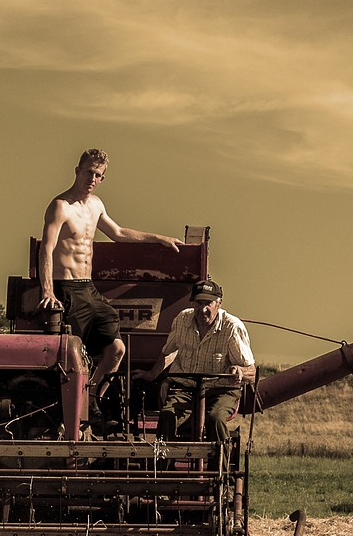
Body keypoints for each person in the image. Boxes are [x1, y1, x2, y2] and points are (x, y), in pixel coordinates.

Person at [38, 149, 181, 416]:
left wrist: (158, 238)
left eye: (98, 175)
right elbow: (46, 249)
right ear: (77, 170)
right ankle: (69, 410)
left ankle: (90, 398)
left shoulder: (96, 205)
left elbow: (118, 233)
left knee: (117, 349)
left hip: (88, 288)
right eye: (89, 172)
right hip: (65, 288)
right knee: (74, 357)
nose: (92, 178)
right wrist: (47, 290)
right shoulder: (60, 206)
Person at [136, 279, 256, 444]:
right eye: (199, 303)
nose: (203, 309)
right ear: (193, 303)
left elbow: (252, 371)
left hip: (221, 391)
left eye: (208, 303)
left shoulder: (232, 327)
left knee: (215, 418)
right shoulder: (182, 320)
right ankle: (164, 467)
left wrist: (240, 372)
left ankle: (219, 467)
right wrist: (152, 375)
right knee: (167, 416)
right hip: (186, 389)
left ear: (219, 304)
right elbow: (168, 352)